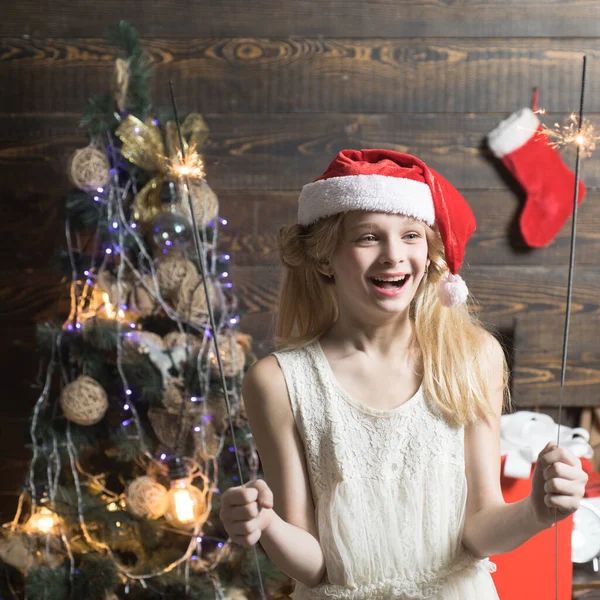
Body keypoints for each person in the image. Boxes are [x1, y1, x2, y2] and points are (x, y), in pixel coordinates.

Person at [219, 149, 588, 599]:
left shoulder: (473, 358)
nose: (393, 256)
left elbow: (478, 530)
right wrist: (267, 524)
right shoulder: (279, 381)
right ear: (323, 259)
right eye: (368, 237)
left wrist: (536, 510)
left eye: (411, 235)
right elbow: (314, 567)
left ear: (430, 253)